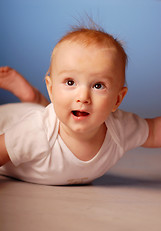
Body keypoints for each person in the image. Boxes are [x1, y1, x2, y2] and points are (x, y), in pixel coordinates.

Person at [0, 26, 160, 185]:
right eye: (70, 82)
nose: (83, 97)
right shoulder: (35, 131)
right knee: (49, 115)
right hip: (8, 121)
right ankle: (33, 98)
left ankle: (34, 99)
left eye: (98, 86)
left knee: (59, 110)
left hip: (42, 114)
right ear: (51, 88)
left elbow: (153, 132)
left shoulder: (119, 128)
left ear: (117, 100)